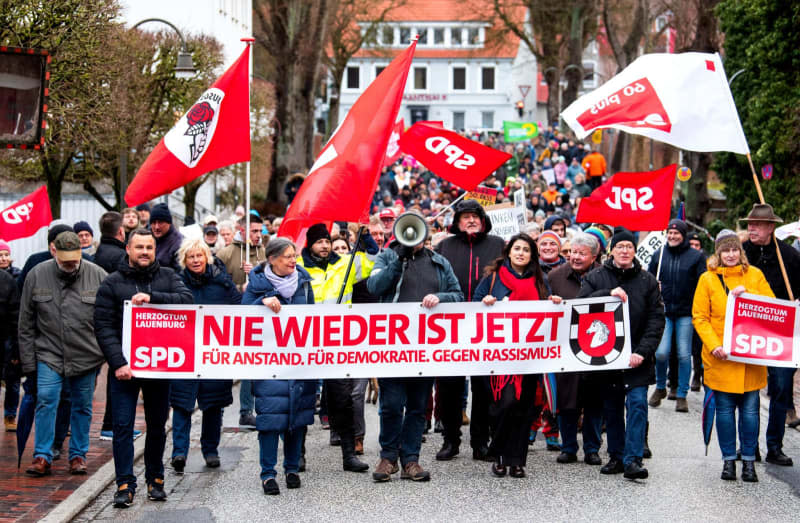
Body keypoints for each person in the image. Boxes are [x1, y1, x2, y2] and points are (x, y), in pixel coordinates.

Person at [94, 228, 193, 508]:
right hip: (125, 370)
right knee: (123, 427)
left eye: (149, 247)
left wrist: (154, 298)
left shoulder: (169, 277)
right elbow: (103, 327)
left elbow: (188, 302)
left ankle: (155, 479)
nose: (145, 253)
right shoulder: (111, 283)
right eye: (139, 248)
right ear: (128, 249)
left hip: (159, 368)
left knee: (158, 426)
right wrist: (118, 363)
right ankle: (125, 484)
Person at [368, 222, 463, 482]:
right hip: (393, 347)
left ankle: (411, 459)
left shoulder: (439, 262)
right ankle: (388, 457)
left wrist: (441, 298)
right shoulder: (387, 257)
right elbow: (375, 287)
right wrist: (398, 260)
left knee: (417, 407)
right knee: (391, 405)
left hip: (425, 348)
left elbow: (459, 295)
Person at [578, 227, 665, 480]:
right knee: (613, 408)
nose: (624, 251)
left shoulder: (648, 281)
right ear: (611, 250)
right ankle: (616, 456)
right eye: (620, 247)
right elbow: (581, 307)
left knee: (637, 405)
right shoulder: (596, 277)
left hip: (637, 358)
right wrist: (607, 294)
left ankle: (633, 459)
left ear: (634, 250)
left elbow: (656, 320)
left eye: (629, 246)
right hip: (608, 358)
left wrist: (642, 352)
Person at [19, 232, 108, 477]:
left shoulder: (98, 275)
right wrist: (28, 363)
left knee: (82, 406)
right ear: (54, 252)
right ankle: (42, 455)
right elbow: (25, 322)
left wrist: (104, 353)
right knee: (46, 399)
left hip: (86, 354)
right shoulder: (37, 274)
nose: (70, 265)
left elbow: (109, 318)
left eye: (74, 260)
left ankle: (78, 454)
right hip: (49, 352)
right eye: (65, 260)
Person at [473, 233, 562, 478]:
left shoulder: (540, 280)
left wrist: (554, 302)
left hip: (530, 356)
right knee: (506, 403)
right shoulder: (493, 278)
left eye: (526, 250)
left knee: (524, 408)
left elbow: (548, 308)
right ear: (508, 252)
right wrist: (486, 302)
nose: (521, 253)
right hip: (500, 357)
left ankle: (516, 460)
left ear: (532, 255)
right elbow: (473, 303)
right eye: (517, 248)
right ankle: (499, 452)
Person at [693, 229, 774, 482]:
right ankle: (728, 460)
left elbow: (771, 307)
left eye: (734, 249)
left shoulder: (755, 275)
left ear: (741, 251)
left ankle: (748, 460)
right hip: (721, 357)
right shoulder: (707, 279)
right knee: (725, 412)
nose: (730, 254)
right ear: (718, 253)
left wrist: (748, 296)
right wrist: (714, 344)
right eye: (725, 250)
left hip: (750, 357)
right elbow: (700, 317)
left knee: (750, 413)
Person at [241, 237, 316, 495]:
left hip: (298, 363)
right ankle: (268, 474)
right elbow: (241, 317)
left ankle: (292, 468)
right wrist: (259, 304)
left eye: (294, 255)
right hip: (268, 364)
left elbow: (314, 320)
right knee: (271, 422)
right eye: (286, 256)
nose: (293, 260)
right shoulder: (257, 286)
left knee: (297, 420)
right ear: (272, 259)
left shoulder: (304, 286)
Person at [298, 223, 373, 473]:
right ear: (310, 244)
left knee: (342, 400)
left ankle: (349, 454)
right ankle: (297, 454)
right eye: (319, 242)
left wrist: (366, 237)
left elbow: (374, 263)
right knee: (301, 399)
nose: (325, 246)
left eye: (327, 242)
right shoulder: (298, 268)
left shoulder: (345, 264)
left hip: (338, 343)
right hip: (305, 342)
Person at [434, 199, 504, 463]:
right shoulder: (445, 246)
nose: (471, 220)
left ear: (483, 219)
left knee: (485, 388)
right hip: (450, 327)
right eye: (465, 216)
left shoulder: (498, 245)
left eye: (475, 216)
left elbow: (509, 277)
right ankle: (450, 440)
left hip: (487, 327)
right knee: (450, 387)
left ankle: (480, 442)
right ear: (457, 221)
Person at [169, 239, 240, 474]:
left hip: (214, 355)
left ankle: (211, 450)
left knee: (213, 406)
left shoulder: (222, 283)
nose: (196, 260)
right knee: (181, 405)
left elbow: (240, 309)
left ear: (207, 258)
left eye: (199, 256)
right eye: (191, 257)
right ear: (184, 260)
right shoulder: (175, 283)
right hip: (185, 353)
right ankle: (179, 452)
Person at [740, 204, 800, 465]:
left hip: (780, 331)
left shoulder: (789, 256)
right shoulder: (741, 254)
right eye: (749, 224)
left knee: (781, 387)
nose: (751, 228)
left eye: (757, 225)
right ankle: (749, 445)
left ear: (771, 227)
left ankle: (774, 445)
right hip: (747, 328)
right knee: (746, 388)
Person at [549, 233, 604, 466]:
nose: (575, 257)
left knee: (593, 400)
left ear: (594, 256)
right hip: (565, 349)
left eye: (582, 253)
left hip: (596, 349)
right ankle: (568, 446)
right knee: (567, 399)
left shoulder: (606, 277)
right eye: (572, 252)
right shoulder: (555, 276)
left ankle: (592, 448)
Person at [647, 219, 706, 412]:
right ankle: (661, 387)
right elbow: (648, 279)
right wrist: (654, 287)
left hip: (686, 312)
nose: (672, 236)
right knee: (661, 352)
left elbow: (702, 283)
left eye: (676, 233)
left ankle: (682, 394)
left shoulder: (695, 257)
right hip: (663, 311)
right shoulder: (659, 254)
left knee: (683, 354)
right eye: (669, 233)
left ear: (683, 235)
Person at [217, 215, 267, 293]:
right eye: (255, 231)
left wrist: (255, 272)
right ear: (242, 230)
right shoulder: (224, 254)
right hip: (233, 303)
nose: (259, 235)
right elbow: (217, 283)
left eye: (260, 231)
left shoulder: (265, 253)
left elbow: (272, 281)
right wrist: (240, 288)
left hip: (259, 302)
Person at [1, 264, 20, 433]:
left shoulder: (7, 280)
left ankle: (10, 414)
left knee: (12, 379)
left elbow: (15, 315)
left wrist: (16, 347)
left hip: (6, 337)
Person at [147, 203, 183, 271]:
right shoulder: (146, 236)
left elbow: (179, 272)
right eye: (154, 223)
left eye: (160, 222)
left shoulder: (178, 242)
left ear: (169, 223)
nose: (156, 227)